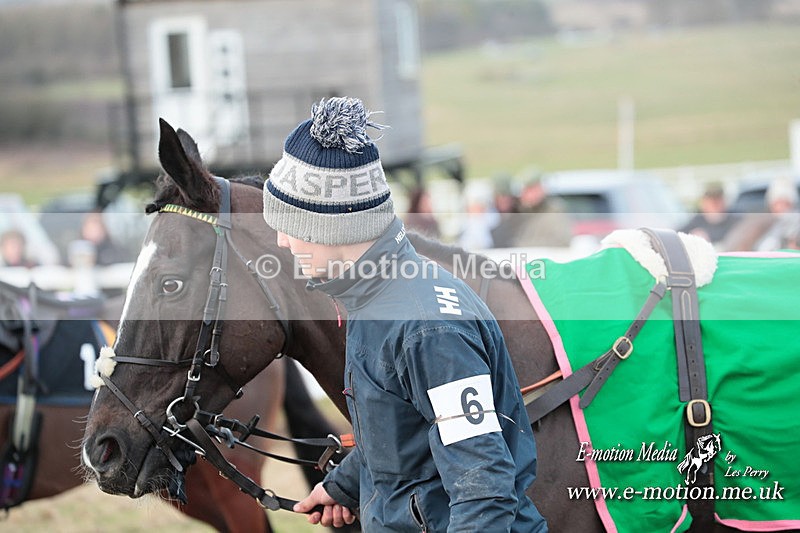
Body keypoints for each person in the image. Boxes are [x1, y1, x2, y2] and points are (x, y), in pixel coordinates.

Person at [262, 97, 547, 532]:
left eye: (292, 224)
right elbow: (405, 432)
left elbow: (483, 486)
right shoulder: (373, 295)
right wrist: (344, 486)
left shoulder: (427, 328)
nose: (282, 241)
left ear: (334, 225)